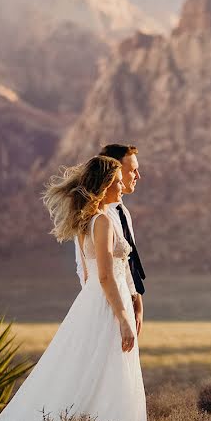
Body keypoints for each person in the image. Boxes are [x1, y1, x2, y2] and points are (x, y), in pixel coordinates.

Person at [0, 155, 150, 421]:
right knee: (111, 379)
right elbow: (104, 277)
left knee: (101, 378)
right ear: (104, 186)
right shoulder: (102, 221)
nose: (122, 186)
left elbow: (89, 277)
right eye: (117, 181)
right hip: (106, 307)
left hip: (95, 306)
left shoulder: (90, 220)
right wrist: (122, 318)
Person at [97, 144, 146, 337]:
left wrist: (137, 302)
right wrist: (115, 314)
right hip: (107, 309)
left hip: (127, 302)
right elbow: (87, 271)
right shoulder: (97, 217)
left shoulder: (122, 212)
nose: (138, 176)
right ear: (114, 170)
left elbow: (129, 262)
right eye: (133, 170)